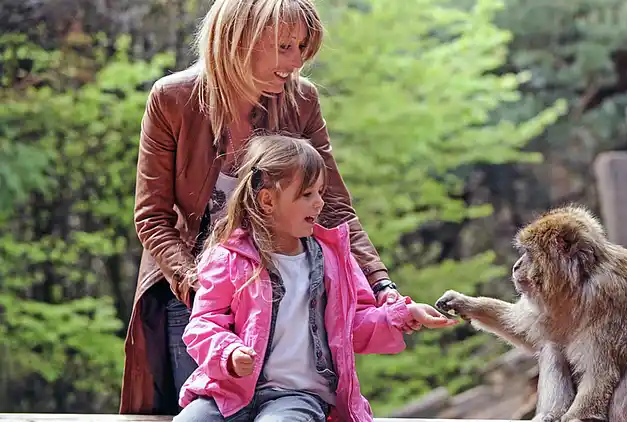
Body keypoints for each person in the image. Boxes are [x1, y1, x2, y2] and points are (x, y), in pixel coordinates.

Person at [120, 0, 414, 415]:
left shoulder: (301, 100)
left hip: (284, 289)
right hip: (196, 298)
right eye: (284, 47)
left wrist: (382, 286)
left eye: (302, 48)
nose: (296, 62)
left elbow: (333, 207)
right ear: (238, 39)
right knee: (209, 409)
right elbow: (152, 218)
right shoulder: (172, 99)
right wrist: (201, 286)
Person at [171, 134, 456, 422]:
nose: (319, 203)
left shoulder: (334, 260)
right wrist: (229, 353)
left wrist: (402, 314)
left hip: (297, 396)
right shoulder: (228, 257)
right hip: (229, 392)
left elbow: (352, 324)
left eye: (320, 192)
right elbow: (203, 323)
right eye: (307, 195)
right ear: (267, 200)